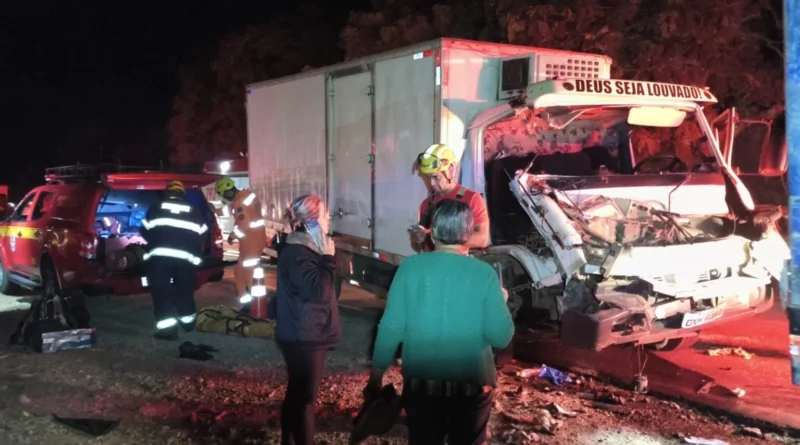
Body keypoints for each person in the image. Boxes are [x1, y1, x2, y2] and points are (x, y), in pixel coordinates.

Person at [367, 199, 514, 445]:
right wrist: (503, 301)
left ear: (432, 232)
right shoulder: (484, 274)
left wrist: (377, 375)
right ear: (468, 233)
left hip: (422, 385)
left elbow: (391, 327)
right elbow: (500, 337)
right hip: (471, 385)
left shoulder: (410, 268)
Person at [275, 194, 340, 445]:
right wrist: (328, 259)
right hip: (305, 335)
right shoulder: (299, 253)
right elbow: (319, 292)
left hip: (302, 332)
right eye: (324, 215)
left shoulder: (301, 250)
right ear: (312, 221)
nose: (328, 219)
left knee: (296, 394)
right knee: (305, 400)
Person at [141, 180, 208, 341]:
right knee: (185, 291)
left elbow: (145, 230)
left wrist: (158, 240)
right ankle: (188, 324)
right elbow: (203, 234)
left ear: (167, 193)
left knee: (162, 293)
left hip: (160, 258)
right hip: (186, 259)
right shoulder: (194, 210)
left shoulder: (156, 207)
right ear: (182, 194)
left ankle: (168, 331)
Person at [411, 143, 490, 252]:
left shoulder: (472, 199)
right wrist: (416, 239)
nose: (432, 183)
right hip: (432, 261)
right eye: (427, 177)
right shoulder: (426, 204)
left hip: (456, 261)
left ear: (451, 168)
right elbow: (419, 248)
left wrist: (440, 238)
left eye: (436, 177)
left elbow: (482, 239)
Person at [214, 177, 268, 308]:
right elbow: (232, 209)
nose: (224, 198)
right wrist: (215, 211)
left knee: (247, 272)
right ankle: (247, 300)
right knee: (240, 271)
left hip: (250, 241)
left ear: (227, 192)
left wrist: (232, 236)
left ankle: (254, 305)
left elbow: (243, 225)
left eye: (223, 195)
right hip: (255, 239)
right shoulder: (247, 196)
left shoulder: (239, 203)